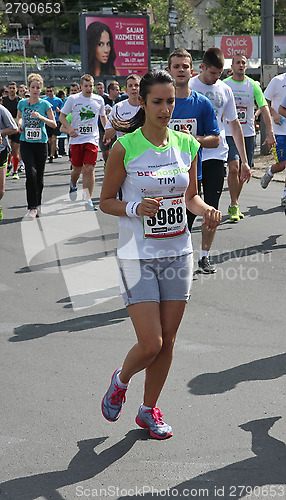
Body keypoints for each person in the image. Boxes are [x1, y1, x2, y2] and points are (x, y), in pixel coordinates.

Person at [99, 69, 221, 439]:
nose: (165, 109)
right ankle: (120, 381)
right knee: (150, 342)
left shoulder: (187, 145)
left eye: (170, 101)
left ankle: (148, 410)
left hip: (178, 253)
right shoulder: (126, 147)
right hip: (137, 254)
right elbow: (105, 201)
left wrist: (206, 211)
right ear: (143, 102)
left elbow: (191, 197)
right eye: (158, 102)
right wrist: (135, 209)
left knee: (168, 341)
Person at [189, 47, 251, 273]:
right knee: (188, 209)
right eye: (213, 73)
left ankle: (204, 256)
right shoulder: (189, 86)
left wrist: (244, 160)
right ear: (202, 67)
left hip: (216, 154)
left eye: (219, 73)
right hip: (190, 155)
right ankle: (182, 253)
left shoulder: (225, 89)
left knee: (212, 209)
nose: (216, 77)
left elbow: (234, 124)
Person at [167, 48, 220, 258]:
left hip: (190, 177)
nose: (181, 70)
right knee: (173, 230)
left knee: (187, 225)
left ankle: (202, 257)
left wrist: (193, 139)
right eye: (176, 66)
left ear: (192, 71)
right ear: (168, 70)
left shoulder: (202, 103)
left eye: (185, 66)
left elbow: (215, 140)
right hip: (162, 176)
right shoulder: (160, 103)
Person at [223, 54, 276, 221]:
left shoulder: (252, 85)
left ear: (246, 66)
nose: (241, 65)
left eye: (243, 63)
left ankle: (234, 203)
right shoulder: (224, 85)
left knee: (243, 171)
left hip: (248, 134)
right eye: (237, 62)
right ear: (232, 66)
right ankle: (234, 204)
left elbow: (264, 108)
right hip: (229, 133)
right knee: (233, 167)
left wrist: (270, 132)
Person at [59, 73, 107, 210]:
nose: (88, 88)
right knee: (77, 169)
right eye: (86, 86)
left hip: (91, 138)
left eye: (91, 86)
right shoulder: (72, 99)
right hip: (76, 139)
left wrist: (108, 131)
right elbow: (62, 117)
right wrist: (69, 129)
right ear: (81, 86)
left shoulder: (99, 100)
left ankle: (88, 199)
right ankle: (73, 184)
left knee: (89, 168)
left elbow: (103, 118)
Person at [16, 73, 57, 219]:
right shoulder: (22, 103)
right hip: (26, 142)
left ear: (41, 89)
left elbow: (53, 124)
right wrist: (19, 124)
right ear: (28, 88)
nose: (35, 90)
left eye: (38, 88)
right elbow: (19, 117)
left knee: (39, 176)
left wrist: (41, 117)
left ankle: (38, 205)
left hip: (40, 144)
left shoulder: (45, 104)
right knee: (30, 172)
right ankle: (32, 207)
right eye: (32, 87)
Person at [260, 72, 286, 206]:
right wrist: (274, 114)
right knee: (282, 165)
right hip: (279, 130)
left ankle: (285, 195)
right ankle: (270, 171)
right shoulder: (278, 80)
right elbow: (263, 101)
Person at [104, 74, 141, 143]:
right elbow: (107, 135)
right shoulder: (118, 107)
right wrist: (118, 125)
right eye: (130, 86)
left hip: (143, 149)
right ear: (126, 90)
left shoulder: (148, 106)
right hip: (125, 149)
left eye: (136, 85)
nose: (133, 88)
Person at [0, 104, 18, 221]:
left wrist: (0, 132)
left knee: (0, 190)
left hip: (1, 150)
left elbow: (14, 128)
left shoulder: (1, 110)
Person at [2, 82, 22, 179]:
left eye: (13, 88)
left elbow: (20, 115)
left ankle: (15, 171)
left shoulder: (19, 101)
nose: (12, 90)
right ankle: (8, 165)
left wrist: (16, 121)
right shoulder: (4, 100)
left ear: (16, 89)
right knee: (8, 147)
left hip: (16, 128)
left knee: (15, 151)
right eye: (10, 88)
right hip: (6, 129)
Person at [99, 81, 120, 165]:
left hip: (116, 128)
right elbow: (101, 115)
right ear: (111, 91)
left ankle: (112, 165)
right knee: (105, 149)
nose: (119, 92)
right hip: (103, 127)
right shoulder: (104, 101)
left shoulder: (120, 101)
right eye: (117, 90)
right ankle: (106, 163)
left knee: (114, 147)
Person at [43, 85, 62, 162]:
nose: (49, 93)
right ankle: (54, 151)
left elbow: (64, 111)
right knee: (49, 140)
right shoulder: (44, 100)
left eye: (51, 91)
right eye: (48, 91)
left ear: (53, 91)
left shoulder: (58, 100)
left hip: (56, 121)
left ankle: (51, 156)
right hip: (48, 121)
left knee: (54, 138)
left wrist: (59, 111)